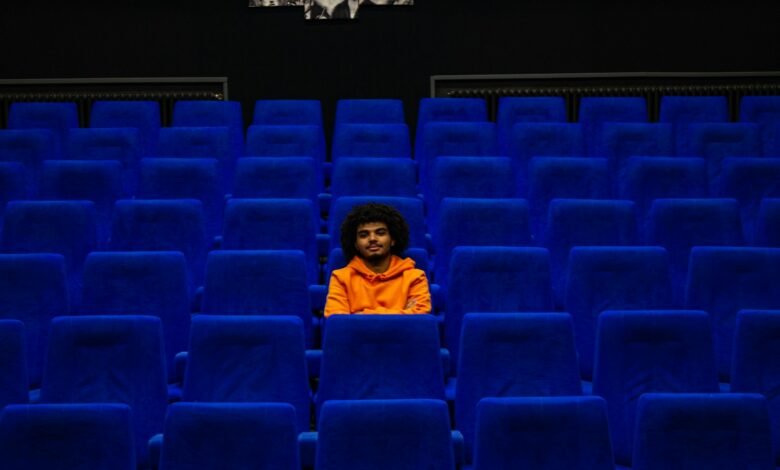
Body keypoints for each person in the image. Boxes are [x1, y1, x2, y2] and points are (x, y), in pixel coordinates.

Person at [324, 203, 431, 316]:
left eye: (380, 233)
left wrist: (359, 315)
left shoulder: (415, 277)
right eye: (364, 235)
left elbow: (420, 316)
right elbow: (336, 319)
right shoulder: (341, 278)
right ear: (355, 244)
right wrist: (403, 313)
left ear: (393, 239)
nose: (372, 239)